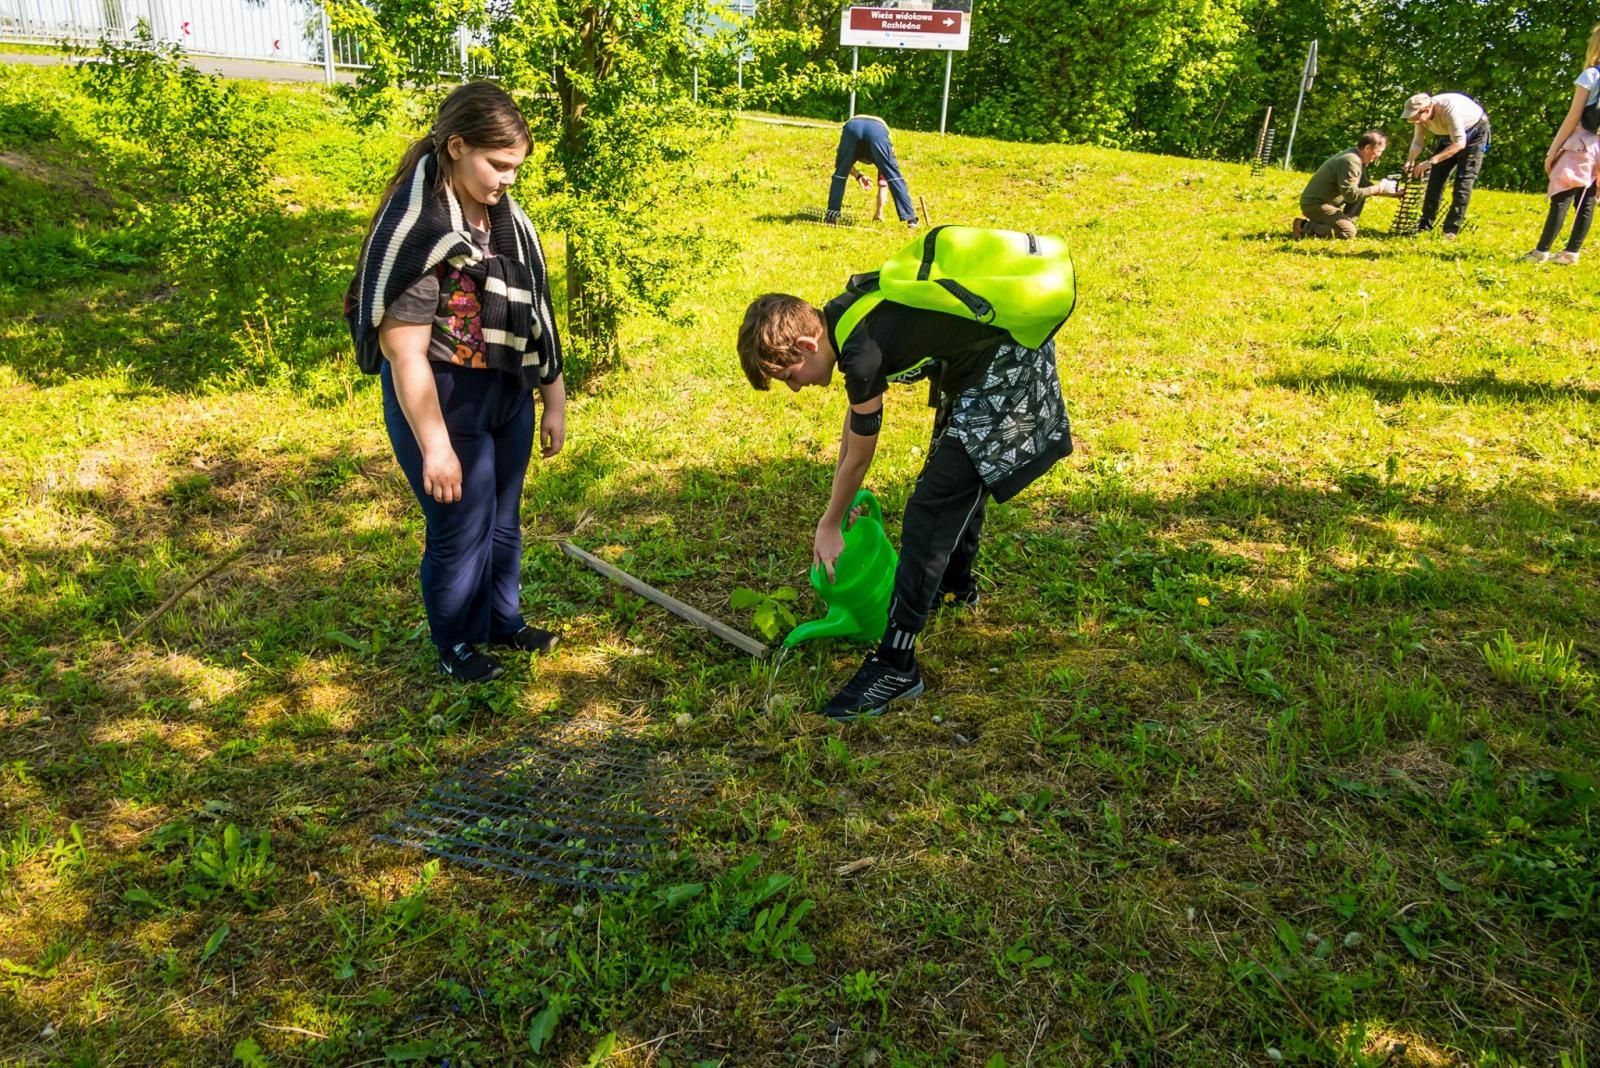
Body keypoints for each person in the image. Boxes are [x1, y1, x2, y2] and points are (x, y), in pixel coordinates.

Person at [737, 288, 1072, 721]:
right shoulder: (844, 318)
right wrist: (833, 512)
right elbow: (854, 427)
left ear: (806, 346)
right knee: (950, 479)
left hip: (1005, 373)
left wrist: (830, 522)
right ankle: (954, 589)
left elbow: (861, 456)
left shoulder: (858, 351)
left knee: (930, 511)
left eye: (790, 376)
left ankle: (896, 667)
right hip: (984, 366)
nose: (796, 388)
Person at [346, 82, 566, 683]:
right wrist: (436, 446)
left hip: (506, 393)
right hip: (443, 399)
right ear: (456, 145)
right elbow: (404, 352)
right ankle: (458, 644)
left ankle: (503, 621)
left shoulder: (508, 223)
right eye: (497, 165)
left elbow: (537, 314)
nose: (507, 180)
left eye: (516, 168)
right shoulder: (418, 232)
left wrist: (552, 399)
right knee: (459, 528)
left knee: (502, 519)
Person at [1520, 24, 1600, 265]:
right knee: (1586, 199)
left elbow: (1573, 116)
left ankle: (1541, 251)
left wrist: (1553, 149)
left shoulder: (1591, 75)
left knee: (1562, 196)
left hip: (1579, 143)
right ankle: (1571, 253)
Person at [1401, 91, 1490, 238]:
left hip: (1474, 133)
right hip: (1450, 135)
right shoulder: (1420, 118)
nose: (1415, 122)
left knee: (1463, 181)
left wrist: (1430, 161)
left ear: (1427, 109)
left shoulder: (1449, 109)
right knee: (1435, 178)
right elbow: (1418, 142)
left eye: (1416, 117)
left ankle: (1450, 230)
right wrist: (1410, 160)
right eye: (1411, 119)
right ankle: (1424, 226)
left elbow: (1459, 143)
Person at [1293, 130, 1402, 239]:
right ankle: (1304, 226)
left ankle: (1345, 222)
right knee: (1348, 233)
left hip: (1328, 202)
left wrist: (1394, 193)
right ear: (1368, 148)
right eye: (1379, 151)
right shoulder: (1351, 161)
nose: (1380, 155)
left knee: (1363, 192)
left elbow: (1364, 186)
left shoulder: (1357, 158)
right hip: (1315, 205)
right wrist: (1379, 188)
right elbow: (1351, 195)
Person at [826, 115, 918, 226]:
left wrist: (858, 175)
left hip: (852, 127)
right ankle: (911, 219)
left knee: (840, 175)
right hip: (877, 130)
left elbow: (843, 165)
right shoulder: (879, 152)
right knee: (894, 177)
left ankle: (831, 216)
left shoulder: (856, 151)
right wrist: (859, 176)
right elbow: (888, 179)